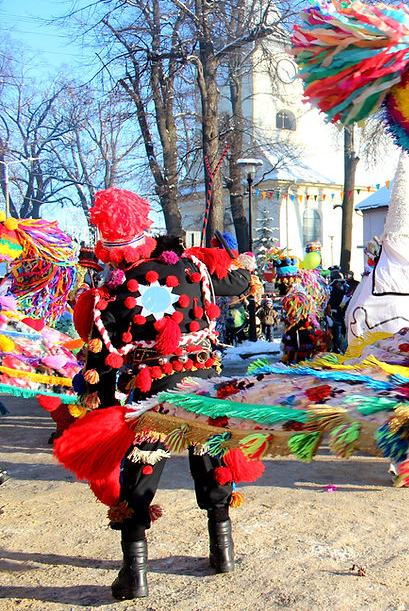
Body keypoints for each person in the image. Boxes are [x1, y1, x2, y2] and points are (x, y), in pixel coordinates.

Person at [69, 189, 252, 600]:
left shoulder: (110, 294)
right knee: (211, 462)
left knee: (140, 473)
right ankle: (222, 552)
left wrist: (103, 412)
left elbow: (100, 365)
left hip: (153, 391)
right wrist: (207, 253)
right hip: (202, 383)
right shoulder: (190, 267)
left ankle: (135, 575)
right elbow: (240, 280)